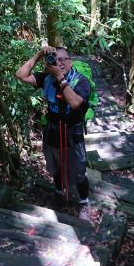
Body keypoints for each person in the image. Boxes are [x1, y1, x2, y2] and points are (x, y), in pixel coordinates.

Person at [15, 46, 91, 219]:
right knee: (55, 166)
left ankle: (84, 202)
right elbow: (21, 75)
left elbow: (74, 103)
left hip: (72, 132)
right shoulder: (47, 78)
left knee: (78, 171)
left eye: (63, 59)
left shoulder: (81, 81)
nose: (60, 63)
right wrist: (39, 54)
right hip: (52, 129)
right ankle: (59, 193)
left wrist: (60, 78)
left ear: (70, 62)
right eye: (55, 59)